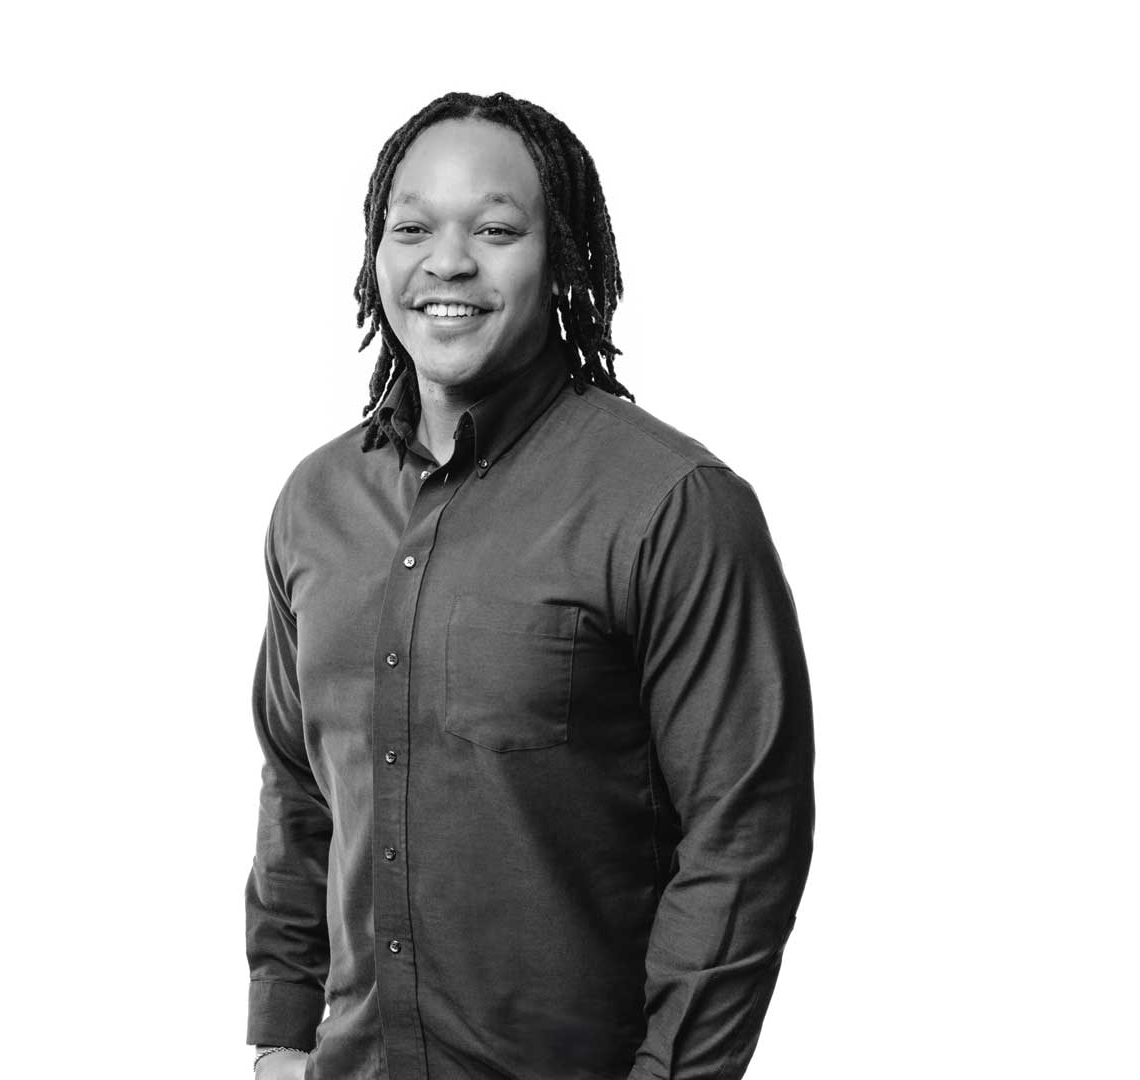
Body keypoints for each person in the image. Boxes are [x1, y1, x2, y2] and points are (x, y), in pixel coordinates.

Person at [244, 91, 815, 1080]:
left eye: (497, 229)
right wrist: (282, 1039)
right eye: (412, 226)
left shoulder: (671, 504)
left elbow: (744, 831)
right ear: (374, 254)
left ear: (562, 260)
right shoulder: (316, 502)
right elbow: (299, 787)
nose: (447, 261)